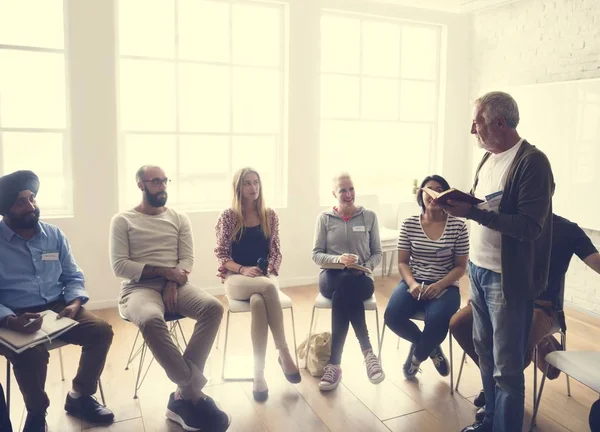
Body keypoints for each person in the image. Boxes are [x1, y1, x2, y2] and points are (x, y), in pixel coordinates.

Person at [440, 92, 554, 432]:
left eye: (477, 123)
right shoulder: (488, 158)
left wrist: (472, 213)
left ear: (499, 124)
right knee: (485, 355)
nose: (472, 130)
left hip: (506, 280)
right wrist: (462, 205)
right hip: (477, 270)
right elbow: (487, 208)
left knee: (506, 367)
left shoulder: (533, 163)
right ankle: (489, 421)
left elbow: (529, 226)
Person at [110, 165, 230, 432]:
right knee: (152, 319)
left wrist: (172, 282)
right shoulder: (123, 220)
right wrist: (165, 273)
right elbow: (120, 266)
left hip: (177, 283)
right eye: (156, 181)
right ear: (141, 185)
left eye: (165, 181)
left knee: (212, 307)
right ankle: (190, 392)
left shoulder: (179, 218)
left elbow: (187, 260)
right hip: (138, 288)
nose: (162, 186)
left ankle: (183, 394)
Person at [450, 213, 600, 421]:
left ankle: (499, 393)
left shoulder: (568, 229)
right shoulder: (511, 224)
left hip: (541, 308)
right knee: (458, 324)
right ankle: (496, 385)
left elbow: (595, 261)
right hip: (500, 298)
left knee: (513, 347)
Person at [0, 170, 115, 432]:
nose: (31, 206)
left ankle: (80, 397)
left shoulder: (53, 234)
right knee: (30, 352)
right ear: (5, 209)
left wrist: (74, 302)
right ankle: (37, 413)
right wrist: (10, 319)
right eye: (21, 202)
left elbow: (73, 274)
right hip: (13, 315)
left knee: (100, 330)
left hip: (58, 307)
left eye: (32, 198)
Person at [214, 167, 300, 402]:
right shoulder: (229, 216)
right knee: (269, 289)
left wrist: (268, 269)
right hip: (236, 278)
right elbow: (221, 255)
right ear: (238, 188)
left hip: (263, 277)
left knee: (259, 303)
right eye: (248, 183)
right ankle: (283, 351)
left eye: (256, 183)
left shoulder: (269, 215)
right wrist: (243, 269)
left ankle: (258, 373)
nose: (253, 188)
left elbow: (276, 251)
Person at [384, 175, 469, 380]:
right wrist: (412, 284)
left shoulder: (458, 226)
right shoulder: (410, 224)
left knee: (438, 319)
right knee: (392, 316)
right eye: (428, 189)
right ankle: (432, 348)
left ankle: (416, 358)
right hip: (413, 282)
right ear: (420, 194)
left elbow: (460, 267)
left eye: (438, 190)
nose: (433, 194)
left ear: (447, 196)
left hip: (446, 286)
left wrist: (440, 285)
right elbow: (403, 262)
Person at [312, 172, 384, 391]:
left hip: (361, 278)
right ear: (334, 193)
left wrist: (366, 266)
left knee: (343, 293)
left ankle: (334, 364)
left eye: (351, 189)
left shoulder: (369, 216)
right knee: (342, 286)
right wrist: (338, 259)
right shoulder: (324, 219)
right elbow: (316, 255)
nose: (348, 194)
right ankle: (368, 353)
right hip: (330, 277)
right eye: (342, 190)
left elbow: (377, 253)